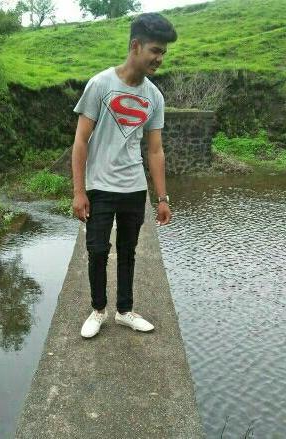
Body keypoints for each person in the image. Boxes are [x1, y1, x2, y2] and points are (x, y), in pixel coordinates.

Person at [72, 12, 177, 338]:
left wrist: (162, 198)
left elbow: (155, 150)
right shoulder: (101, 84)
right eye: (155, 50)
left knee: (128, 251)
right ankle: (98, 310)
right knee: (97, 250)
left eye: (163, 53)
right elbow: (80, 140)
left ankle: (125, 311)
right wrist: (79, 191)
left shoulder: (154, 96)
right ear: (135, 46)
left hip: (133, 187)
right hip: (100, 185)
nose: (159, 58)